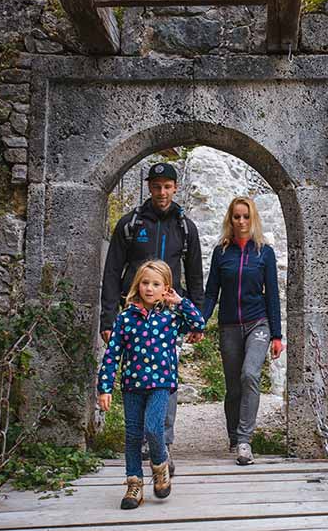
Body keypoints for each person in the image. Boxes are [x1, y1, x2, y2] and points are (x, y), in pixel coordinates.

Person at [100, 162, 204, 474]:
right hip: (132, 312)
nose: (162, 192)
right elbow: (111, 272)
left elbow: (196, 275)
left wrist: (195, 314)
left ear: (175, 188)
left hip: (167, 314)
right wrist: (108, 318)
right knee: (135, 375)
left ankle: (162, 443)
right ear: (150, 187)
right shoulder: (130, 223)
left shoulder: (185, 227)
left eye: (167, 186)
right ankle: (146, 438)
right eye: (156, 186)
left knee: (165, 376)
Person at [97, 260, 205, 509]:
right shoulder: (126, 318)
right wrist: (105, 387)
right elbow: (112, 354)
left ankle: (160, 465)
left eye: (155, 284)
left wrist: (180, 302)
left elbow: (198, 324)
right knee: (133, 436)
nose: (149, 288)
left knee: (154, 428)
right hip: (132, 385)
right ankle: (134, 484)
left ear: (165, 288)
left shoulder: (171, 317)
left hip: (160, 384)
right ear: (138, 284)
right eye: (145, 283)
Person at [202, 196, 284, 466]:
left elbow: (272, 294)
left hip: (257, 323)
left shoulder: (264, 252)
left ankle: (245, 440)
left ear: (253, 219)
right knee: (233, 386)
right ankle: (234, 436)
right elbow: (212, 292)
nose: (241, 221)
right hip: (228, 326)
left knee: (250, 374)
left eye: (246, 216)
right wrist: (200, 322)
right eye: (236, 216)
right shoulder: (221, 253)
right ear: (230, 219)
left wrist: (276, 335)